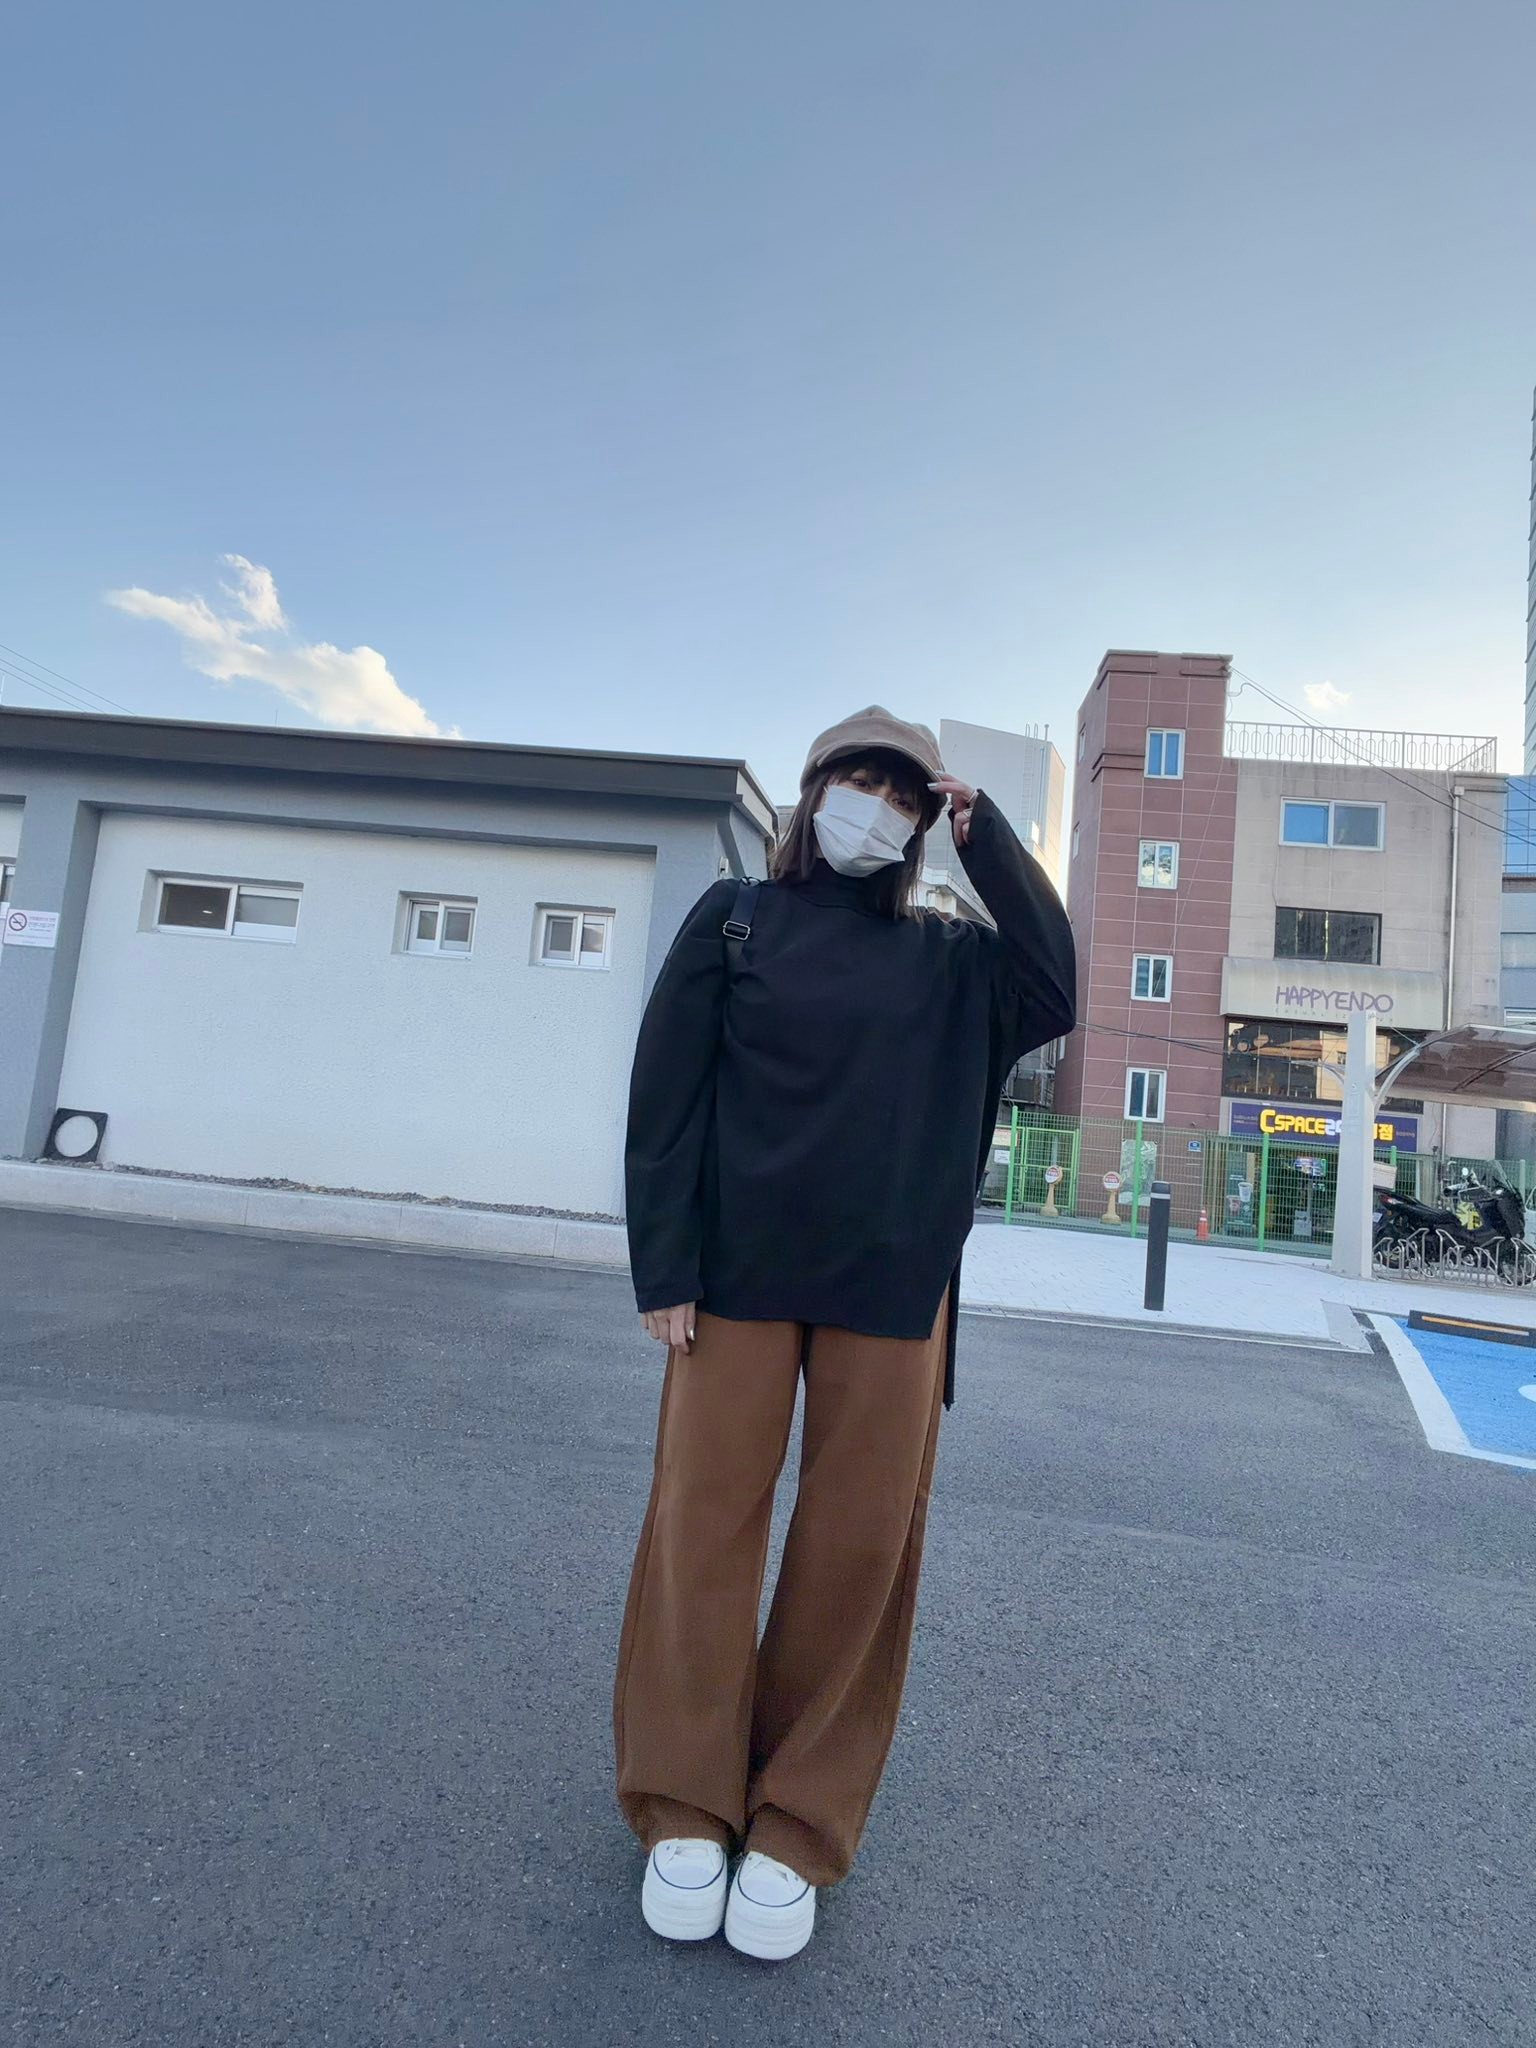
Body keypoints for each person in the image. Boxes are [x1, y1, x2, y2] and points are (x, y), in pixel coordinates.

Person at [612, 705, 1076, 1959]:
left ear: (924, 823)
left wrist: (992, 841)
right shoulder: (736, 919)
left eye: (904, 795)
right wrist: (665, 1264)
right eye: (859, 781)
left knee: (859, 1545)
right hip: (734, 1278)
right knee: (703, 1521)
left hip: (892, 1288)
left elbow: (1055, 986)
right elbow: (666, 1098)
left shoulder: (954, 956)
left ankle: (797, 1820)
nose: (877, 807)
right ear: (815, 791)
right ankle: (684, 1799)